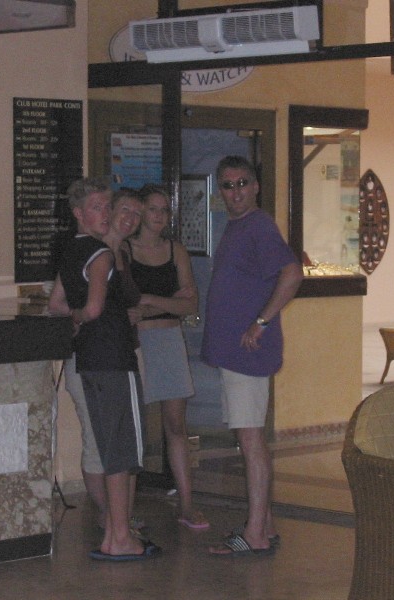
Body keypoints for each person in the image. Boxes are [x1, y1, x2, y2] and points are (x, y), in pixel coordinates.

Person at [49, 178, 159, 561]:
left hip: (88, 360)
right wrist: (82, 315)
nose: (105, 214)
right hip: (112, 358)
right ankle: (119, 538)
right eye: (97, 207)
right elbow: (93, 308)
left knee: (109, 445)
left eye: (107, 206)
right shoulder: (100, 254)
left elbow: (56, 303)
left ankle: (114, 531)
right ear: (79, 213)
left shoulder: (71, 250)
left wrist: (74, 316)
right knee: (121, 450)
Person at [201, 156, 303, 556]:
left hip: (248, 352)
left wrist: (261, 322)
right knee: (248, 436)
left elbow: (292, 274)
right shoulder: (238, 226)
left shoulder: (259, 225)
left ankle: (255, 534)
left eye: (242, 182)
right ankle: (266, 525)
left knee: (250, 440)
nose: (236, 191)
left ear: (256, 185)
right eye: (228, 185)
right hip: (234, 353)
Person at [128, 183, 209, 530]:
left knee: (176, 425)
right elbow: (126, 308)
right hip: (135, 342)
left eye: (165, 210)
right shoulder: (124, 249)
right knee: (133, 428)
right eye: (153, 209)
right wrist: (165, 302)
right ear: (140, 212)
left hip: (168, 340)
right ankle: (123, 510)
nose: (160, 216)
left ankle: (186, 504)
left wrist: (150, 300)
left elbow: (190, 304)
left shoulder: (175, 251)